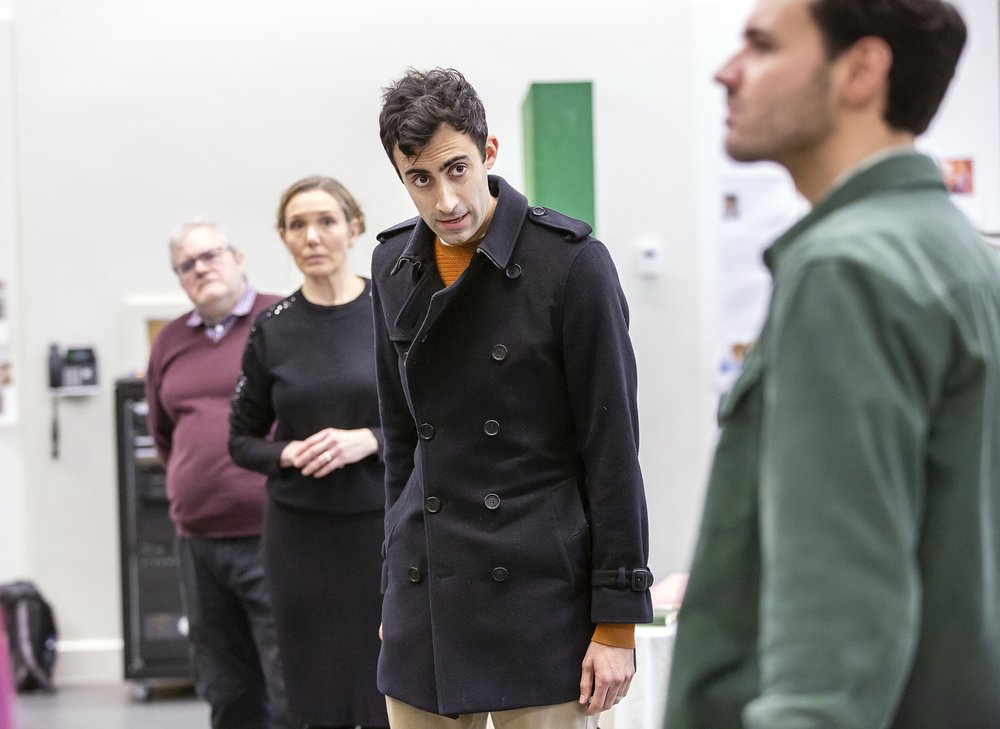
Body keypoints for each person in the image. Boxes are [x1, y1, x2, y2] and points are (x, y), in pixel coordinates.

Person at [666, 2, 1000, 728]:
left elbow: (836, 637)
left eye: (759, 46)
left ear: (860, 71)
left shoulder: (847, 269)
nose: (727, 73)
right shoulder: (967, 259)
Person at [372, 67, 653, 728]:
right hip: (427, 595)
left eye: (457, 169)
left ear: (489, 152)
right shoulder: (390, 266)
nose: (444, 199)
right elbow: (400, 446)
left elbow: (611, 454)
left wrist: (617, 621)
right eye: (420, 179)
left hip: (536, 593)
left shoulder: (572, 264)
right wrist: (393, 585)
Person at [229, 176, 389, 729]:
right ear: (284, 237)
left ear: (354, 227)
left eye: (326, 221)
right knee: (311, 690)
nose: (312, 236)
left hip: (380, 529)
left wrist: (367, 440)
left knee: (381, 685)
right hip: (300, 536)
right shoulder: (270, 330)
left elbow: (432, 421)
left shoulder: (393, 311)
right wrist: (288, 453)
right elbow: (241, 440)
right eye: (297, 225)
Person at [145, 221, 288, 729]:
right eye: (188, 264)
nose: (201, 268)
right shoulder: (170, 342)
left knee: (287, 680)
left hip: (273, 531)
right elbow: (163, 433)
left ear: (239, 257)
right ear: (180, 279)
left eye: (211, 255)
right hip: (199, 542)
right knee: (225, 688)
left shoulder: (281, 318)